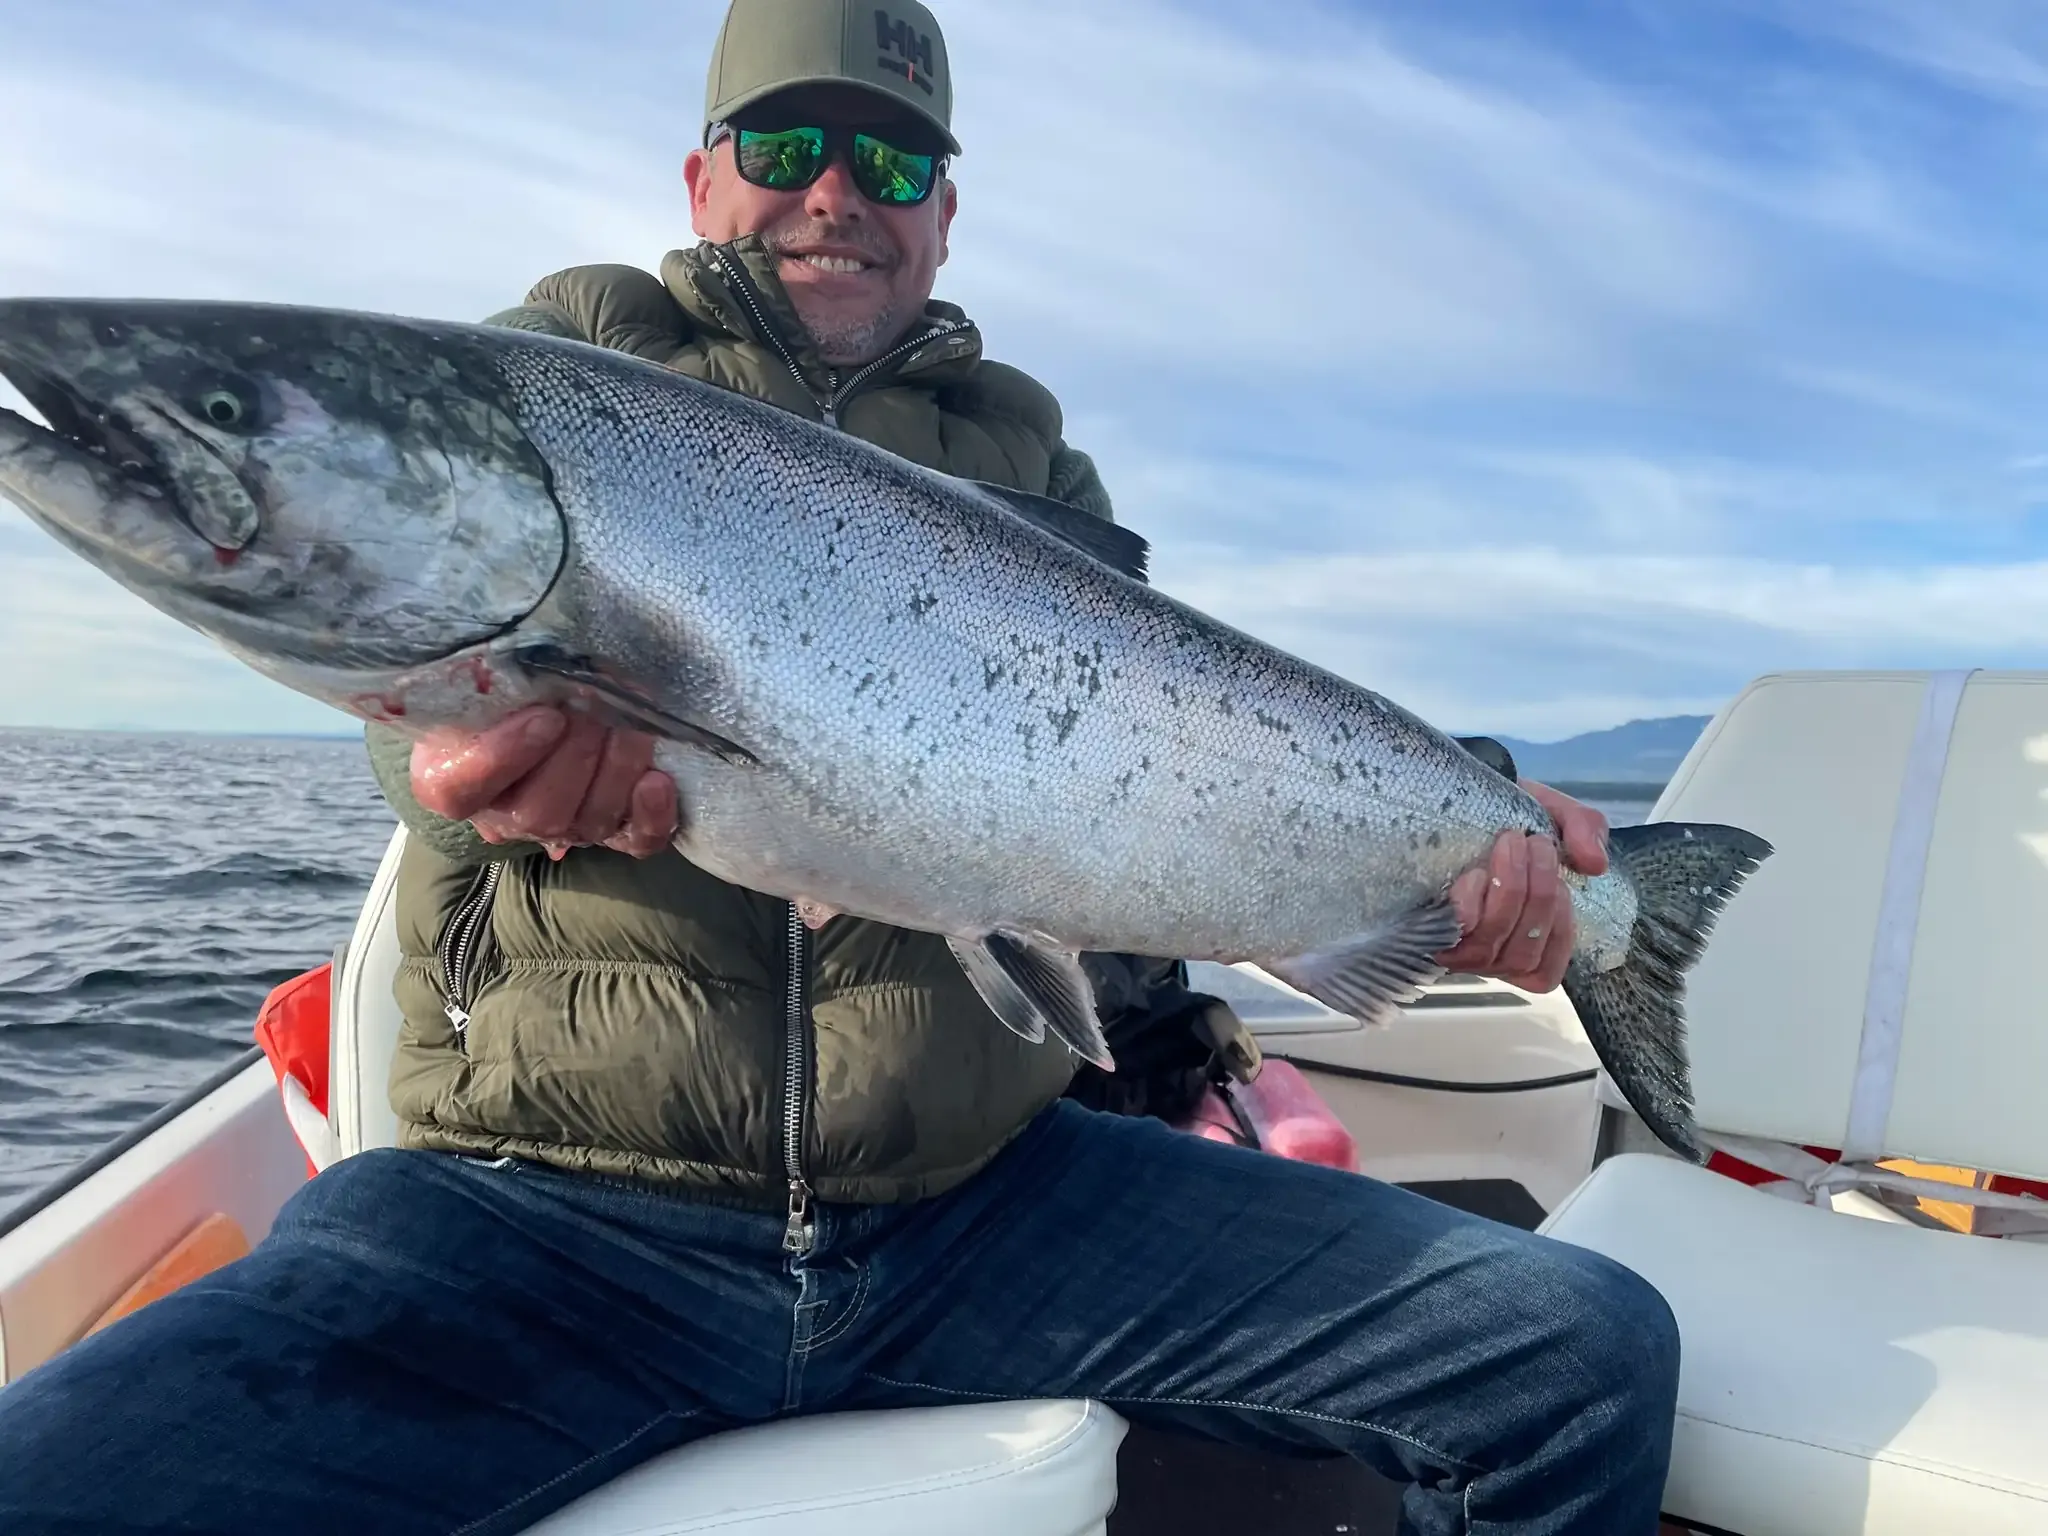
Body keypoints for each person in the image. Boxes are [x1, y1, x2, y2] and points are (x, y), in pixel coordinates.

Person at [0, 2, 1678, 1532]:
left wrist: (1467, 834)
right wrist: (470, 777)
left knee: (1576, 1354)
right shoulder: (559, 370)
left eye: (890, 159)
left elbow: (1185, 754)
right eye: (786, 145)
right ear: (703, 175)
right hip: (545, 1217)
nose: (833, 193)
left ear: (945, 212)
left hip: (983, 1204)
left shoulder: (1036, 464)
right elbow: (424, 753)